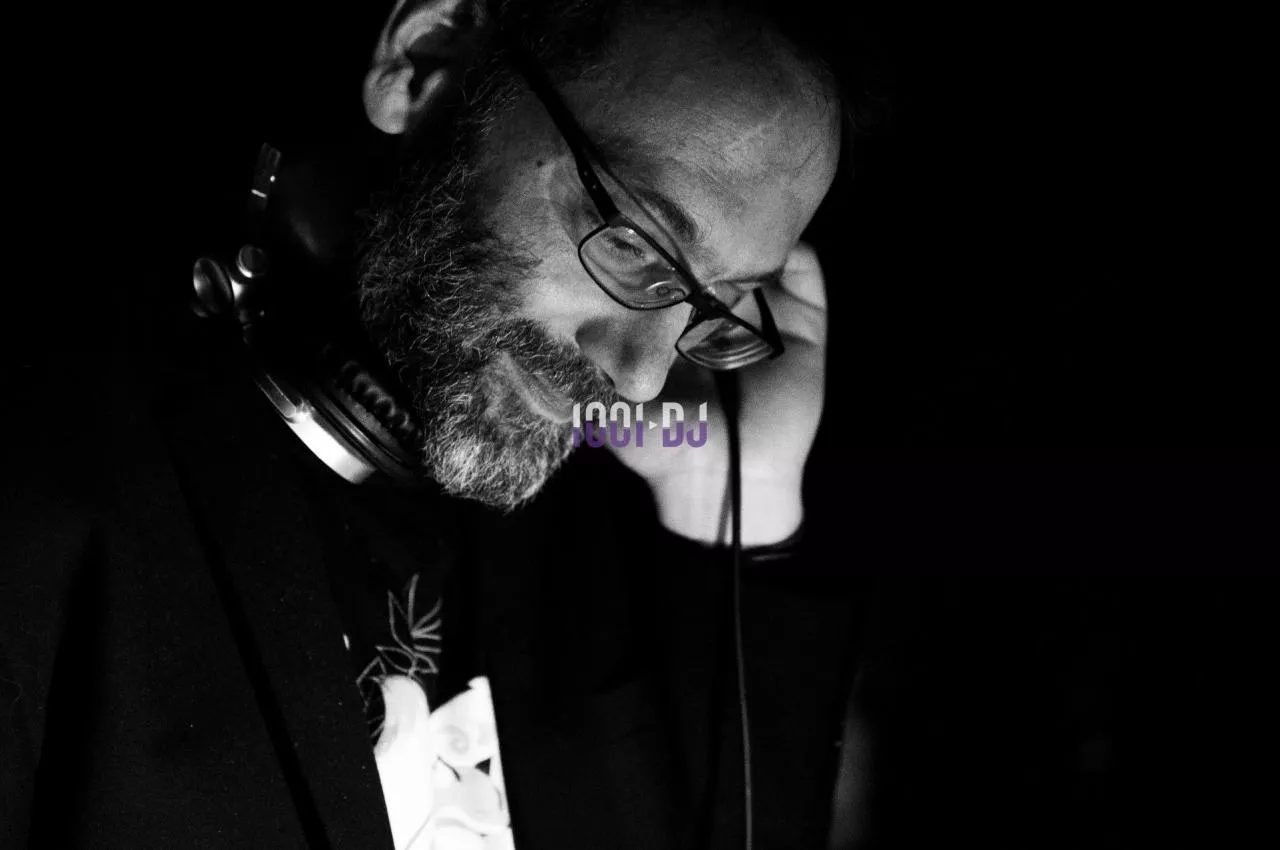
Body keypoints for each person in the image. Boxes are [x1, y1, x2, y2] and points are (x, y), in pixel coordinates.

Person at [1, 1, 861, 848]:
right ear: (427, 60)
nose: (642, 378)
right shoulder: (52, 493)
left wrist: (737, 497)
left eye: (716, 303)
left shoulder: (575, 529)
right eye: (635, 242)